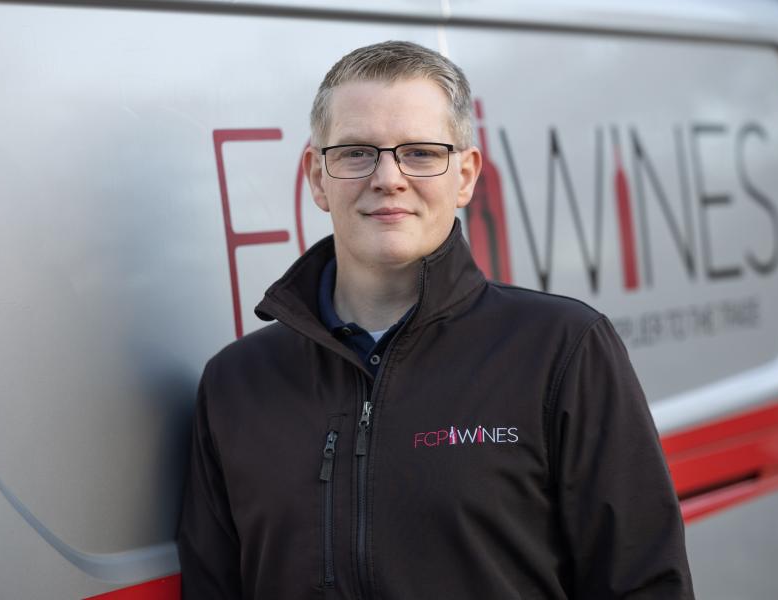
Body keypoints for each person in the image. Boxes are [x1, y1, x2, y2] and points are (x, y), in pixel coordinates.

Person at [177, 40, 694, 599]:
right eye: (356, 152)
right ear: (317, 177)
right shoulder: (237, 383)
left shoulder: (561, 350)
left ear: (465, 175)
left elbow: (644, 586)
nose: (388, 178)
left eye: (421, 153)